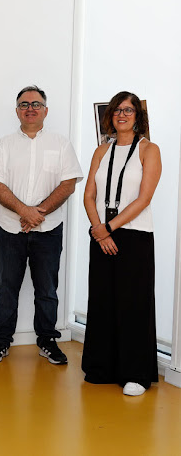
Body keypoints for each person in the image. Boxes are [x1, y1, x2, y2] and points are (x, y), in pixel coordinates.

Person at [0, 85, 83, 365]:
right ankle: (1, 342)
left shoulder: (61, 144)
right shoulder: (3, 145)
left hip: (49, 230)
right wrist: (25, 212)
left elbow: (68, 184)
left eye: (36, 104)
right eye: (24, 104)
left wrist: (38, 213)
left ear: (45, 110)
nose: (30, 108)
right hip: (10, 229)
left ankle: (48, 341)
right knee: (6, 287)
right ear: (17, 111)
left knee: (47, 290)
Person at [81, 91, 161, 396]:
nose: (122, 115)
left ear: (138, 117)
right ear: (110, 116)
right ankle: (102, 367)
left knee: (133, 304)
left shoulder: (149, 149)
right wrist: (98, 229)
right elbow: (89, 194)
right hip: (101, 232)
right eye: (117, 110)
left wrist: (107, 228)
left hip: (134, 235)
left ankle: (136, 374)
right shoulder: (101, 151)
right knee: (102, 301)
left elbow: (144, 198)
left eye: (128, 110)